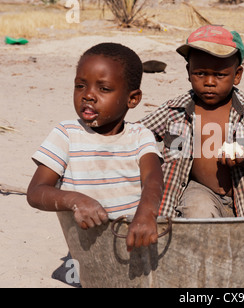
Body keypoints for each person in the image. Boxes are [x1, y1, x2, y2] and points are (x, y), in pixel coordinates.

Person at [27, 43, 164, 252]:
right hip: (88, 253)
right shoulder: (66, 134)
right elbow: (36, 192)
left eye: (104, 89)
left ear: (133, 98)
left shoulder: (140, 136)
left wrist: (146, 213)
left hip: (132, 243)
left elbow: (153, 179)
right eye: (80, 86)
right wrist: (74, 200)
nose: (88, 95)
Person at [139, 25, 244, 218]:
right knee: (198, 212)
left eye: (220, 75)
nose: (209, 82)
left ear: (237, 75)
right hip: (198, 190)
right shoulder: (175, 110)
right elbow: (139, 132)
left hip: (241, 197)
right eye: (200, 73)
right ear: (189, 72)